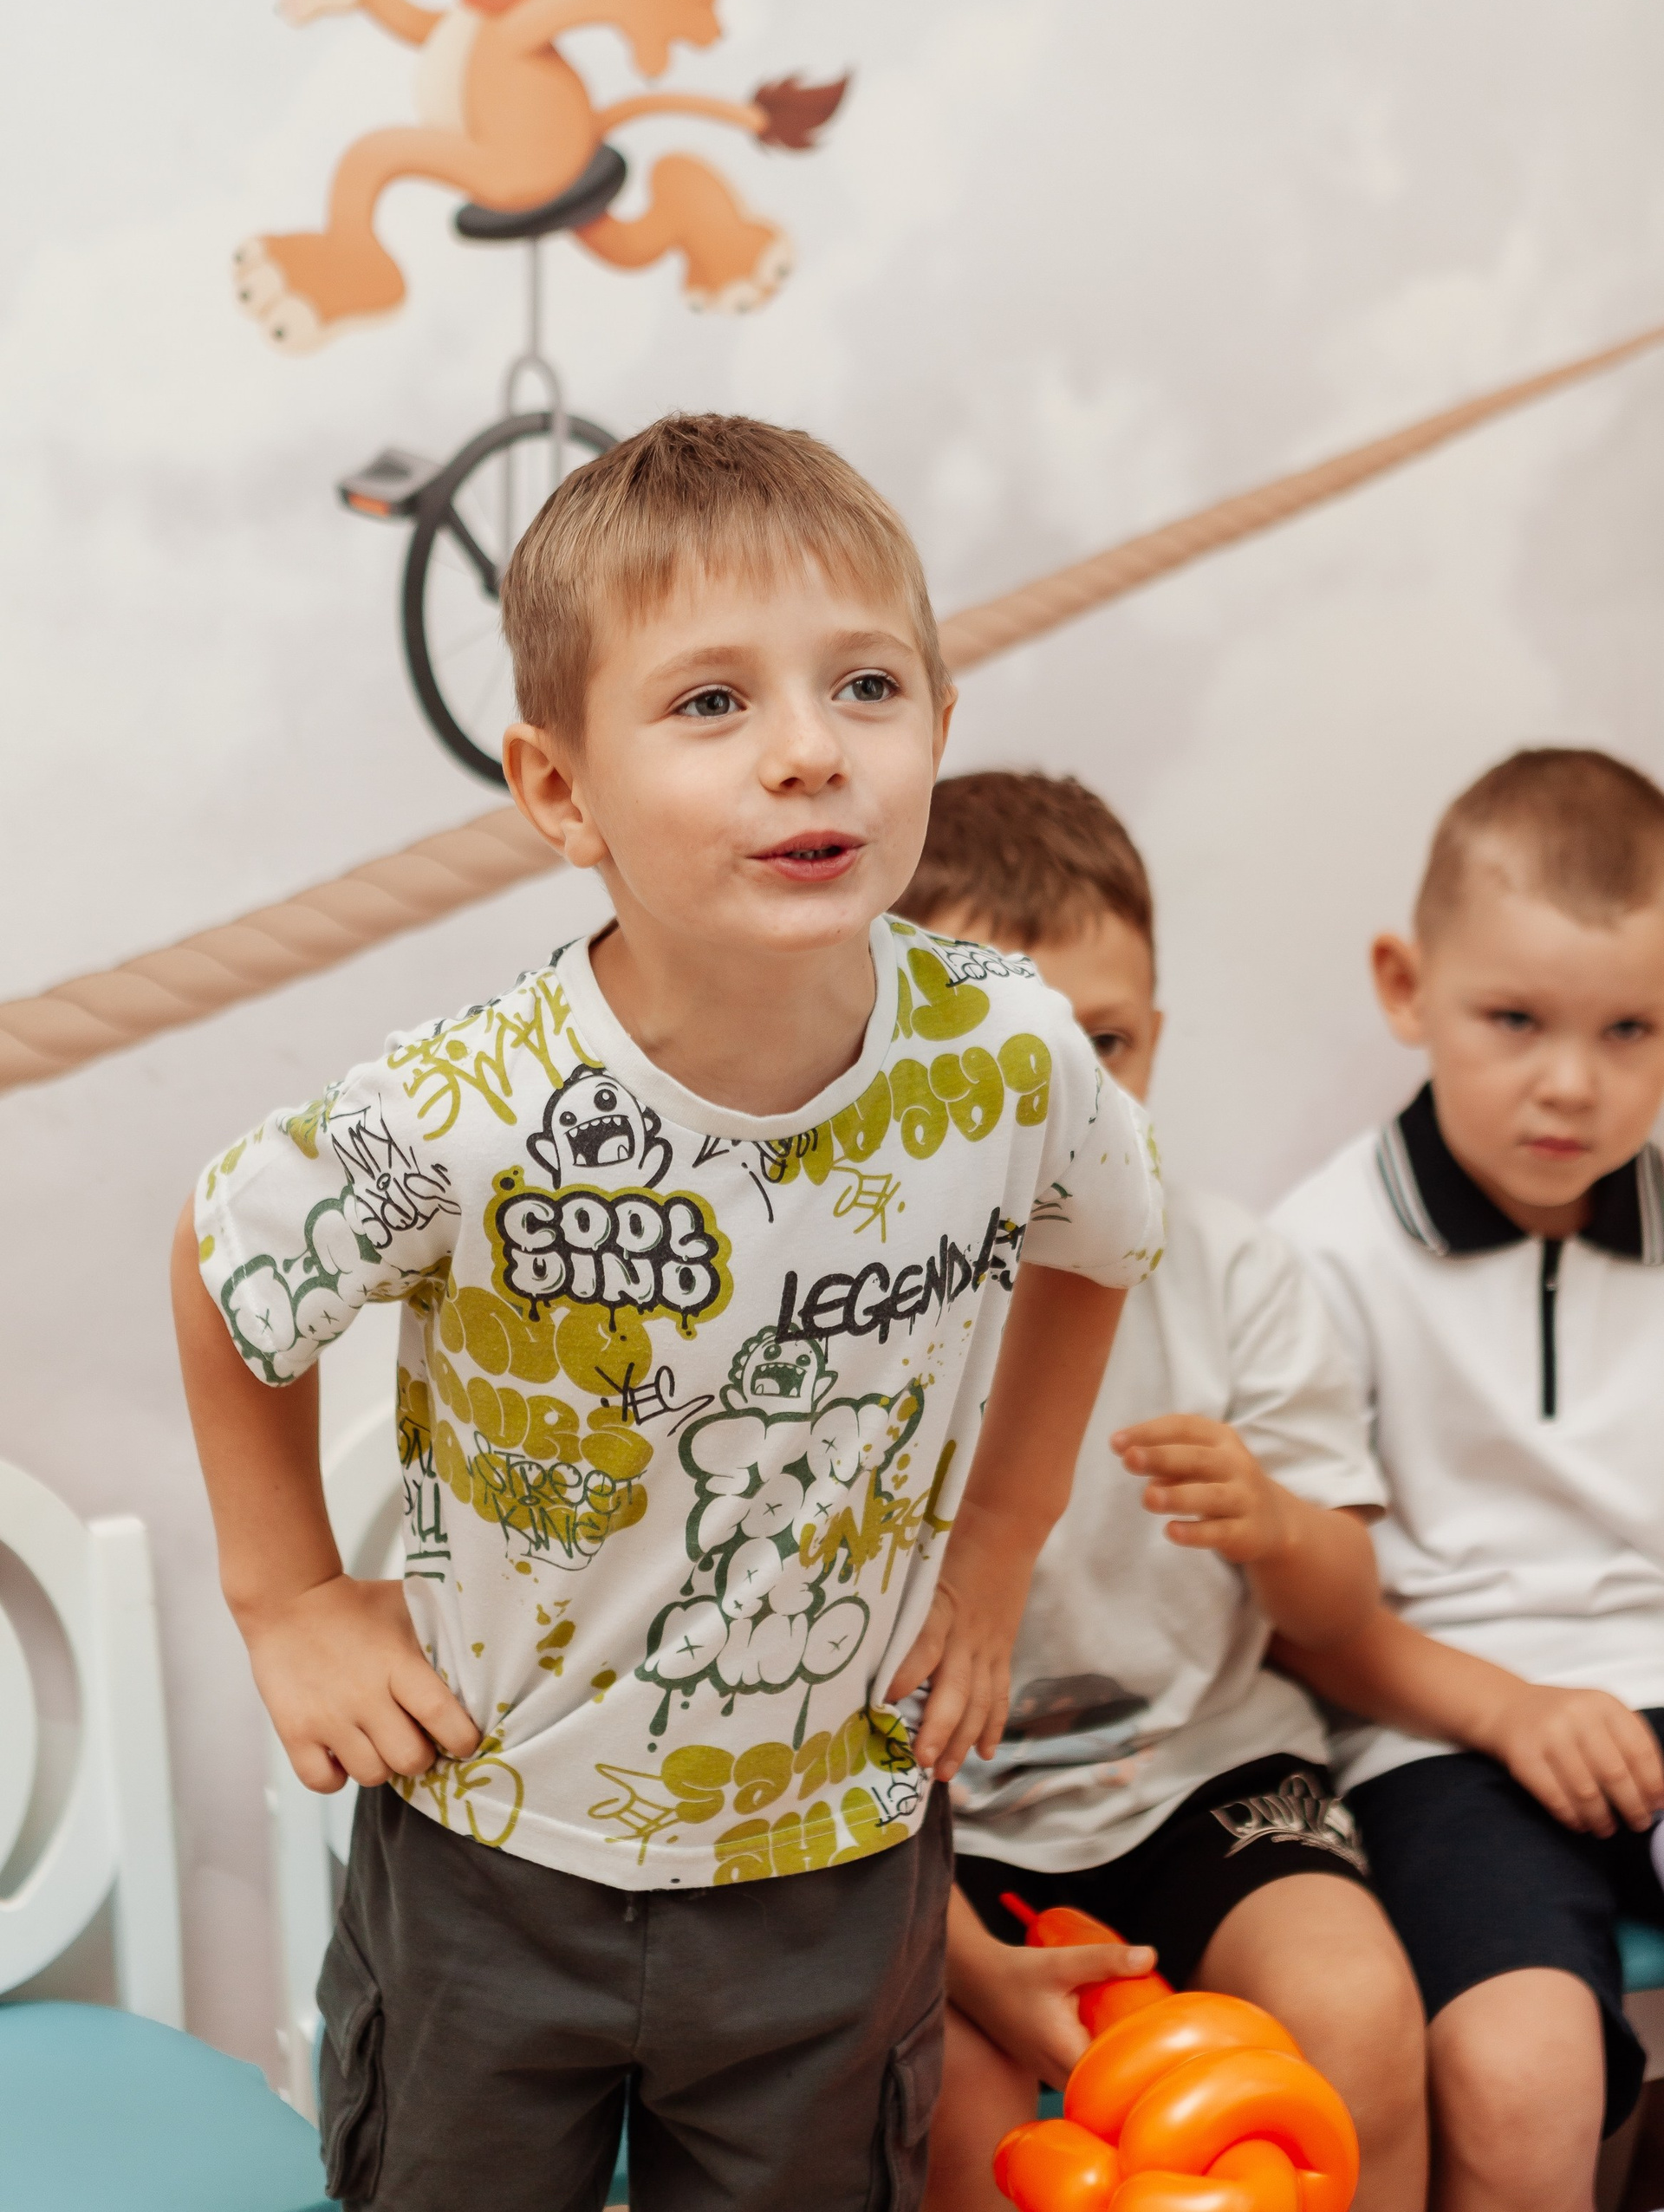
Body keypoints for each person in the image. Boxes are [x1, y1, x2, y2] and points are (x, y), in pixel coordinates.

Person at [170, 416, 1165, 2212]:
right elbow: (226, 1260)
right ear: (562, 792)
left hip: (832, 1863)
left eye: (866, 686)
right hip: (493, 1851)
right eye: (713, 702)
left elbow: (1101, 1240)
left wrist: (1000, 1546)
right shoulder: (471, 1108)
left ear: (937, 728)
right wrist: (289, 1596)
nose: (809, 750)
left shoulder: (1013, 1056)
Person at [899, 771, 1427, 2212]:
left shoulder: (1231, 1268)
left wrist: (1276, 1523)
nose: (1071, 1103)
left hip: (1207, 1770)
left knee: (1360, 2018)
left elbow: (1340, 1605)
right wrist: (973, 1969)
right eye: (1008, 1054)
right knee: (961, 2118)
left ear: (1155, 1041)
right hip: (933, 1823)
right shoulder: (851, 1313)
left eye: (1106, 1045)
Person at [1272, 747, 1664, 2212]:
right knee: (1521, 2073)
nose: (1571, 1083)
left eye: (1631, 1029)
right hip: (1439, 1733)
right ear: (1408, 986)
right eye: (1516, 1021)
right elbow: (1306, 1623)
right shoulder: (1318, 1257)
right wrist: (1513, 1709)